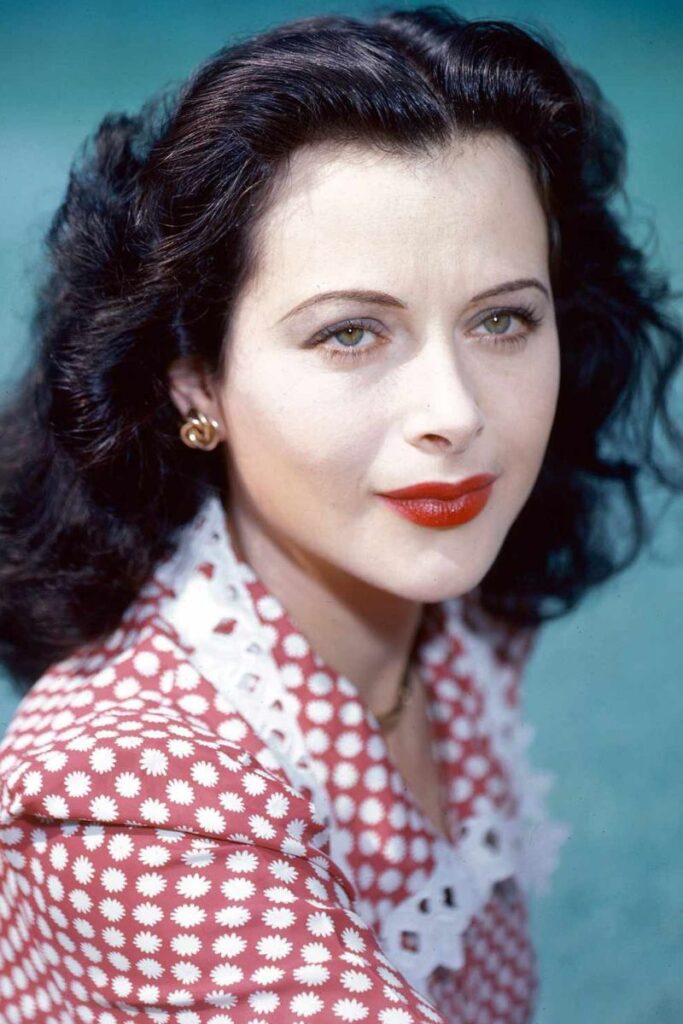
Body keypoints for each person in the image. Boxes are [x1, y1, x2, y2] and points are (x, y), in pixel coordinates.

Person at [0, 6, 681, 1022]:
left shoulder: (462, 604)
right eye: (351, 334)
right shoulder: (126, 801)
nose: (455, 413)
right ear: (194, 381)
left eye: (502, 318)